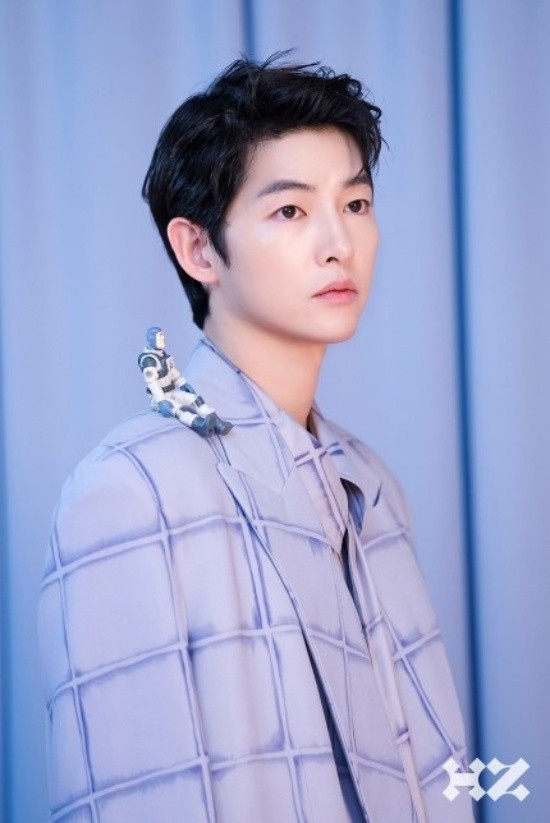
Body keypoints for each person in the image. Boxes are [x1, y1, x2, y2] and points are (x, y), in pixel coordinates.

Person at [37, 54, 474, 822]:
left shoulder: (371, 485)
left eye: (357, 203)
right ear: (198, 249)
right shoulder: (131, 490)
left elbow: (434, 771)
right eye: (291, 211)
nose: (338, 243)